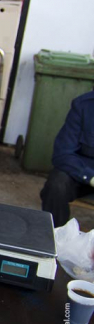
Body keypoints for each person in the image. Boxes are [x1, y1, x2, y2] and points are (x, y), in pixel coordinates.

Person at [40, 90, 94, 227]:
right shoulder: (83, 105)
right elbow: (63, 153)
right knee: (56, 185)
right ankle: (56, 238)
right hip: (83, 173)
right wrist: (90, 177)